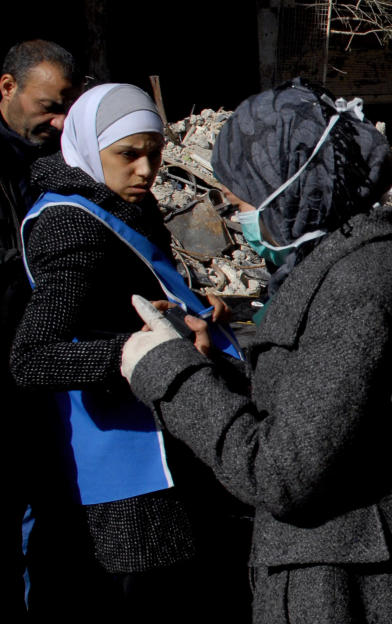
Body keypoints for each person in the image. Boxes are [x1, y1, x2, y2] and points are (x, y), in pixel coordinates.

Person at [118, 79, 392, 623]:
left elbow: (280, 473)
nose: (238, 216)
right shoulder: (368, 255)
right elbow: (321, 407)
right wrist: (216, 368)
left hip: (340, 583)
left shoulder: (354, 285)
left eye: (241, 199)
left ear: (291, 184)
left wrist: (169, 373)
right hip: (355, 565)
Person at [10, 82, 246, 622]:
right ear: (92, 150)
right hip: (125, 465)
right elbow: (33, 357)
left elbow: (130, 298)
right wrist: (142, 349)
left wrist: (191, 315)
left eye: (154, 152)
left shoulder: (116, 204)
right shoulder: (73, 223)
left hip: (156, 442)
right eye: (128, 155)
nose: (145, 169)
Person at [0, 39, 76, 618]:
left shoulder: (54, 161)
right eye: (47, 104)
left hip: (46, 366)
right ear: (8, 88)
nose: (56, 119)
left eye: (65, 108)